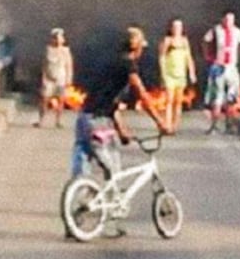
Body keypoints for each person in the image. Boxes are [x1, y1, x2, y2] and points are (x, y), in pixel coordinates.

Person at [72, 26, 171, 180]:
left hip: (84, 118)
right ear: (136, 48)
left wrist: (122, 130)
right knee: (113, 169)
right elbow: (143, 95)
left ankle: (83, 196)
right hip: (98, 122)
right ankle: (110, 200)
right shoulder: (128, 66)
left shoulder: (110, 62)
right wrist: (160, 122)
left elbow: (109, 101)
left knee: (83, 160)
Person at [203, 10, 240, 135]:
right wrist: (209, 57)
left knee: (231, 97)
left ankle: (229, 125)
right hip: (218, 67)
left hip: (231, 67)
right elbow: (205, 42)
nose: (228, 22)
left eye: (231, 20)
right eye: (226, 19)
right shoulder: (215, 31)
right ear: (222, 19)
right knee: (217, 97)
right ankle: (214, 126)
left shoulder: (238, 32)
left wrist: (237, 59)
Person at [158, 19, 196, 133]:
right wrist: (163, 73)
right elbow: (162, 57)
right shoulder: (167, 41)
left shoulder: (184, 41)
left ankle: (175, 126)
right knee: (169, 100)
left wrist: (192, 72)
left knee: (178, 101)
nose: (177, 29)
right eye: (175, 27)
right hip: (170, 74)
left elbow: (189, 57)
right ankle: (167, 125)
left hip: (181, 75)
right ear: (171, 28)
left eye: (179, 27)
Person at [37, 28, 74, 129]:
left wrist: (69, 79)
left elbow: (69, 66)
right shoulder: (47, 50)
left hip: (61, 79)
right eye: (56, 38)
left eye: (60, 38)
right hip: (49, 79)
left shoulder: (66, 51)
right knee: (44, 100)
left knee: (61, 100)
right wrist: (43, 78)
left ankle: (58, 121)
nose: (58, 40)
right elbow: (44, 65)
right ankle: (41, 120)